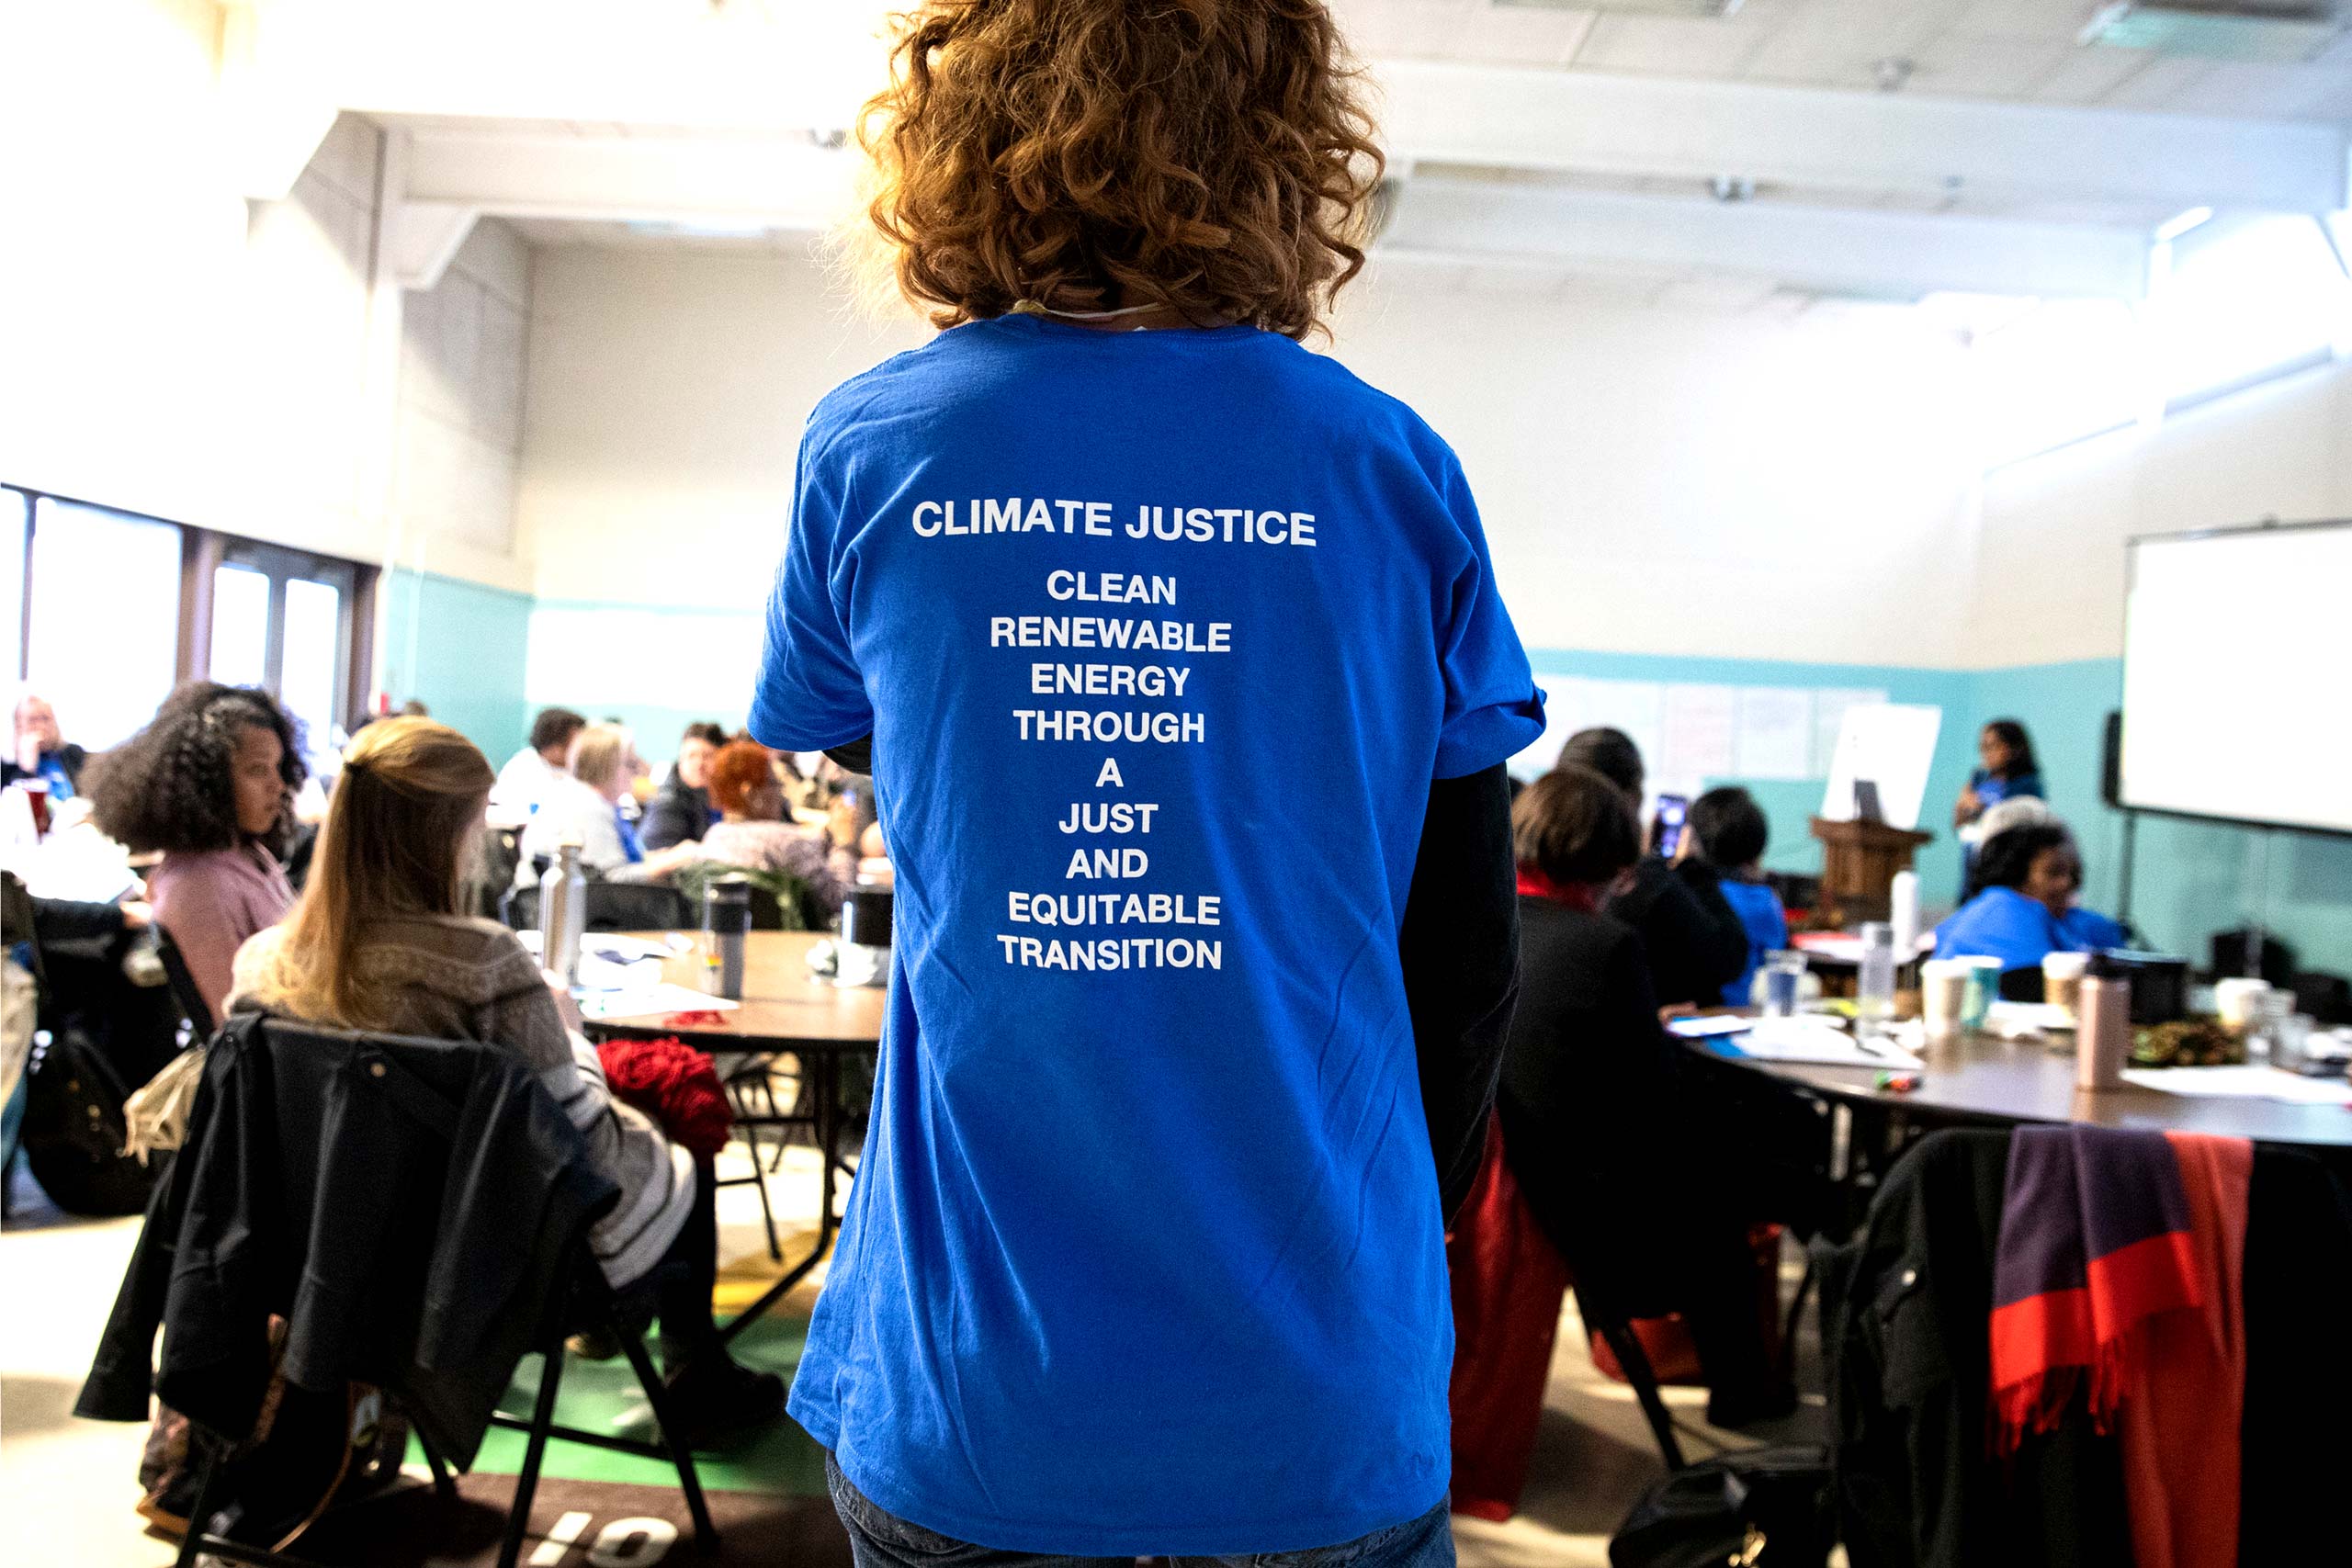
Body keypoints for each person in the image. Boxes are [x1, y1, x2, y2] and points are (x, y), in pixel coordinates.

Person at [750, 2, 1544, 1556]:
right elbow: (1466, 955)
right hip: (1313, 1382)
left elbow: (878, 748)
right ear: (1285, 144)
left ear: (950, 138)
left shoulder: (874, 449)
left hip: (980, 1387)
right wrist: (1394, 1224)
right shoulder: (1387, 465)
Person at [226, 717, 782, 1441]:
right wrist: (575, 1037)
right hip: (483, 1267)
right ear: (448, 831)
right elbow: (577, 1134)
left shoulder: (264, 962)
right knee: (683, 1143)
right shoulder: (484, 965)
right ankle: (694, 1369)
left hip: (319, 1255)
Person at [1495, 766, 1792, 1427]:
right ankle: (1748, 1398)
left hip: (1532, 1183)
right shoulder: (1605, 945)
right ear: (1610, 857)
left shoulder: (1496, 922)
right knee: (1732, 1197)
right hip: (1609, 1230)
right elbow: (1660, 1103)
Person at [84, 683, 307, 1023]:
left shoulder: (246, 851)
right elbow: (235, 1029)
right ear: (210, 782)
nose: (278, 785)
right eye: (258, 770)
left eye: (278, 768)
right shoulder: (198, 887)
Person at [1555, 728, 1747, 1010]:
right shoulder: (1644, 882)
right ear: (1632, 798)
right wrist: (1691, 868)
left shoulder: (1528, 873)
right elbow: (1728, 957)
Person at [515, 723, 702, 886]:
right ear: (606, 766)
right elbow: (612, 880)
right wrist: (671, 861)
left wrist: (667, 857)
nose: (636, 770)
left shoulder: (588, 799)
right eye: (630, 763)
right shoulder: (586, 808)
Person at [1933, 821, 2126, 974]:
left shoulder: (2073, 921)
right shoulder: (2002, 908)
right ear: (2015, 877)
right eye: (2054, 873)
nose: (2067, 883)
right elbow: (2033, 988)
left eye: (2071, 874)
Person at [693, 740, 855, 919]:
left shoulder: (713, 838)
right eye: (774, 783)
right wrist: (844, 844)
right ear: (750, 793)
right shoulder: (789, 842)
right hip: (793, 944)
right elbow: (841, 900)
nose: (781, 792)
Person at [1686, 786, 1788, 1008]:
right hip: (1741, 1013)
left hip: (1691, 1011)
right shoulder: (1766, 900)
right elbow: (1772, 955)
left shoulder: (1688, 894)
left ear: (1696, 841)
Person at [1954, 718, 2043, 890]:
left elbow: (2023, 825)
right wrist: (1962, 805)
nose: (1985, 753)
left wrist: (1978, 806)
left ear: (2013, 749)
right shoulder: (1979, 778)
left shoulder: (2026, 785)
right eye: (1982, 747)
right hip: (1973, 858)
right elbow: (1958, 821)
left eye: (1992, 747)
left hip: (2006, 863)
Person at [640, 723, 728, 852]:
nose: (699, 764)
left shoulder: (724, 797)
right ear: (680, 760)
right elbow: (661, 858)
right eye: (691, 756)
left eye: (707, 756)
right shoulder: (668, 804)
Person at [492, 706, 587, 817]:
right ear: (554, 745)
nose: (580, 749)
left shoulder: (576, 768)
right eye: (574, 743)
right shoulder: (523, 767)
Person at [6, 691, 86, 798]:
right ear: (18, 726)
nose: (41, 726)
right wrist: (27, 769)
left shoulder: (73, 753)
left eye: (45, 718)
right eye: (32, 720)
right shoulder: (7, 766)